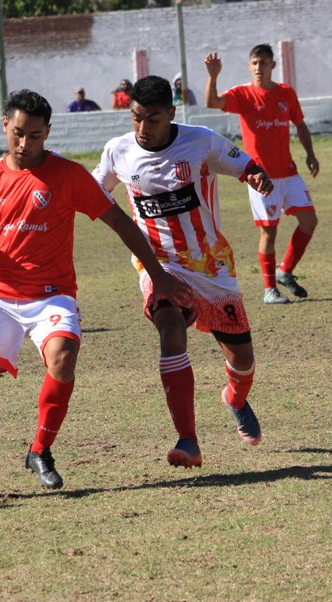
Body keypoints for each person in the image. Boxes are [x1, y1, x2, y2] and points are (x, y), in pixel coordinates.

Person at [0, 89, 191, 496]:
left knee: (63, 356)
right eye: (17, 133)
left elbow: (120, 221)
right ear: (5, 126)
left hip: (52, 293)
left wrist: (158, 274)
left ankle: (40, 450)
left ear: (47, 132)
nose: (24, 144)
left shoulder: (69, 176)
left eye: (35, 136)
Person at [92, 75, 273, 469]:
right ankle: (188, 440)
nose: (143, 127)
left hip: (210, 264)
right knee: (170, 327)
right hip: (157, 262)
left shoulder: (201, 141)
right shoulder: (117, 151)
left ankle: (235, 398)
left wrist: (256, 175)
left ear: (171, 113)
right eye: (136, 117)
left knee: (242, 361)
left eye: (153, 119)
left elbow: (244, 164)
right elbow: (93, 190)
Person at [205, 44, 320, 304]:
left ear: (273, 65)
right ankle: (270, 290)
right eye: (255, 63)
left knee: (309, 221)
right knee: (269, 232)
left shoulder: (286, 93)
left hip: (288, 172)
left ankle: (285, 270)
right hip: (261, 177)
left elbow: (300, 124)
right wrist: (213, 77)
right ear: (250, 66)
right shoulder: (243, 94)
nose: (259, 67)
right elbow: (212, 102)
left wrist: (310, 154)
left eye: (264, 63)